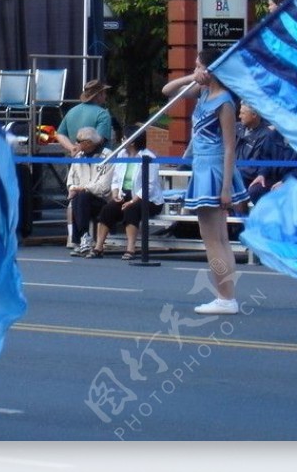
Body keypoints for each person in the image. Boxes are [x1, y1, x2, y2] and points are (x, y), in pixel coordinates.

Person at [162, 48, 251, 315]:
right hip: (201, 165)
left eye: (200, 65)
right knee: (216, 238)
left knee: (215, 239)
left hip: (213, 169)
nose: (196, 69)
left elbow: (229, 147)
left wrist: (226, 188)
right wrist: (193, 76)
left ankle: (225, 297)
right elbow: (168, 91)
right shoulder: (202, 93)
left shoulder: (224, 101)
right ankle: (226, 295)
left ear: (212, 69)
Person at [101, 123, 163, 260]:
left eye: (124, 138)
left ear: (132, 141)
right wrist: (115, 193)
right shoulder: (122, 154)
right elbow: (116, 179)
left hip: (148, 198)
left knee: (132, 209)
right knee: (108, 208)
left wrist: (133, 201)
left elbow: (150, 186)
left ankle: (130, 248)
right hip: (126, 194)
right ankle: (99, 246)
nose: (122, 141)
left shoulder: (148, 156)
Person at [65, 127, 114, 257]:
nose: (76, 144)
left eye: (78, 141)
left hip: (102, 199)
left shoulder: (108, 156)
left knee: (82, 196)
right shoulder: (78, 157)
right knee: (79, 197)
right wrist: (74, 188)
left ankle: (81, 238)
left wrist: (83, 188)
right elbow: (71, 180)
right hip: (82, 199)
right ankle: (84, 237)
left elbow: (104, 187)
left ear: (88, 142)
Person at [55, 79, 114, 154]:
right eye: (104, 93)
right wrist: (81, 148)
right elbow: (99, 140)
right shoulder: (103, 114)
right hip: (97, 162)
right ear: (98, 95)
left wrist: (72, 148)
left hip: (74, 161)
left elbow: (60, 134)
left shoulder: (71, 111)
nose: (106, 95)